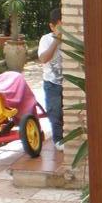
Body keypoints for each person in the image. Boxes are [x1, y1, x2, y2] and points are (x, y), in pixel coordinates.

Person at [38, 8, 64, 151]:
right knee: (55, 112)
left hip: (67, 83)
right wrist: (56, 41)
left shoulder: (70, 39)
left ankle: (66, 135)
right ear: (52, 26)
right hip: (52, 83)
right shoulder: (46, 39)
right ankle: (58, 139)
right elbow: (43, 58)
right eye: (59, 27)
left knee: (65, 111)